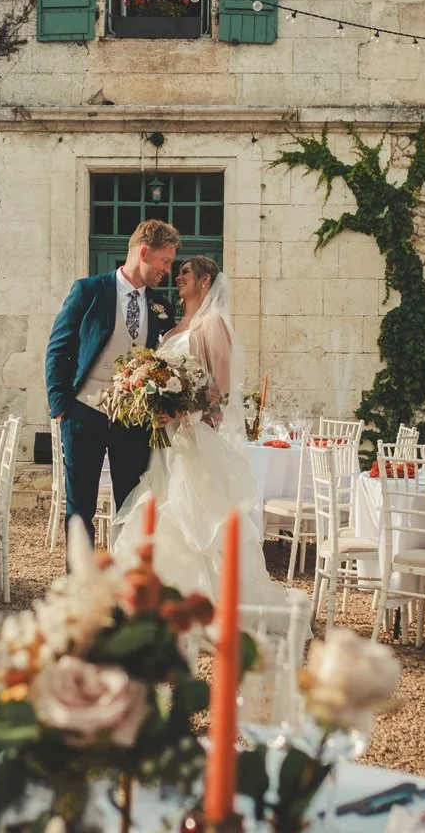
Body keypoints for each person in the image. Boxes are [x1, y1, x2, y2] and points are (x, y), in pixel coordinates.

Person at [110, 256, 294, 612]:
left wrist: (182, 411)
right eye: (177, 272)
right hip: (163, 439)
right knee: (156, 506)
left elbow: (221, 391)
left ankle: (201, 600)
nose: (178, 278)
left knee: (191, 518)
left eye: (186, 274)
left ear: (205, 281)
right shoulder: (177, 324)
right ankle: (152, 595)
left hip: (191, 438)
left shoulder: (213, 325)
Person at [45, 219, 179, 545]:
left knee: (132, 507)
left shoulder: (161, 306)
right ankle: (81, 587)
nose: (168, 270)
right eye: (166, 261)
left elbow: (168, 365)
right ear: (144, 252)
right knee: (80, 509)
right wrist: (61, 406)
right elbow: (57, 349)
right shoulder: (89, 291)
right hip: (83, 412)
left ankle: (126, 584)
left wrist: (164, 406)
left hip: (133, 421)